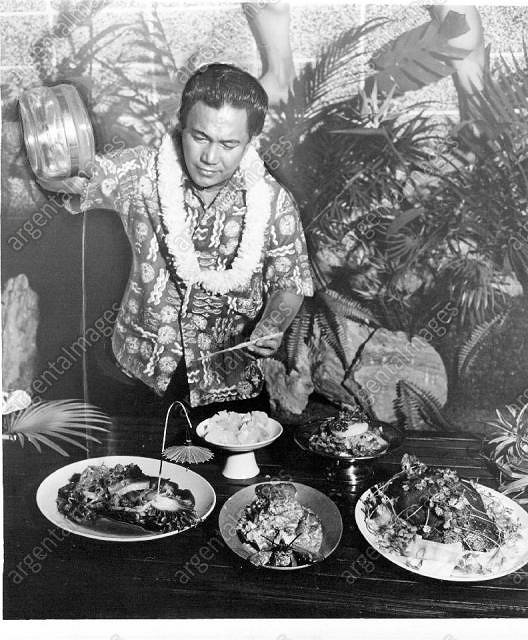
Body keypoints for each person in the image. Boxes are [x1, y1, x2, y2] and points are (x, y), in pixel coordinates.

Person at [37, 63, 313, 411]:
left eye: (229, 144)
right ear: (181, 124)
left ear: (251, 141)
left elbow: (290, 282)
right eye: (200, 137)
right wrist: (53, 155)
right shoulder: (140, 174)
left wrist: (272, 324)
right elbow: (73, 178)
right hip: (139, 374)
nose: (210, 158)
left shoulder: (273, 201)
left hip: (229, 381)